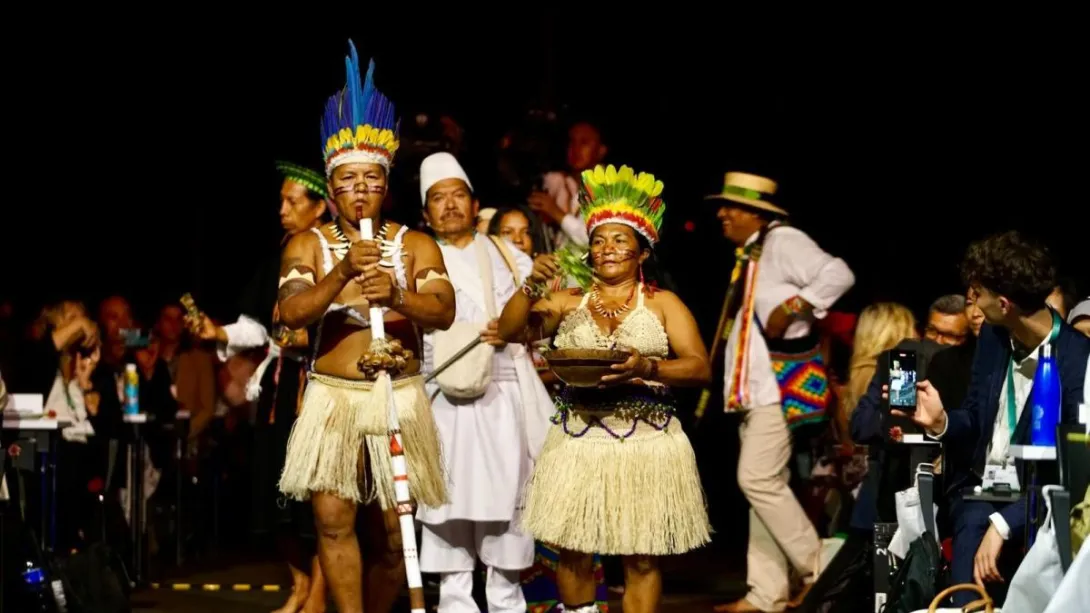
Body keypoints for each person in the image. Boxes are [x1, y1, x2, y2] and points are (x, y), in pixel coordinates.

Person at [275, 41, 455, 613]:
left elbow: (444, 309)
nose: (360, 191)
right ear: (332, 189)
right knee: (332, 520)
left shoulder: (414, 243)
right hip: (333, 398)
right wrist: (342, 276)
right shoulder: (309, 244)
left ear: (385, 184)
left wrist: (398, 293)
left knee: (391, 530)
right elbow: (291, 312)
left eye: (370, 180)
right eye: (348, 181)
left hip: (396, 395)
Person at [498, 163, 712, 613]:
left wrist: (648, 366)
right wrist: (529, 286)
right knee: (573, 551)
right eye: (598, 240)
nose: (607, 248)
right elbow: (513, 329)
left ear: (642, 251)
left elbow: (699, 368)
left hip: (648, 441)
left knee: (641, 555)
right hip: (579, 436)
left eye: (619, 240)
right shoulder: (566, 300)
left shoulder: (663, 303)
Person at [894, 231, 1090, 606]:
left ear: (1003, 303)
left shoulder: (1079, 360)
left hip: (1041, 499)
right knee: (970, 530)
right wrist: (941, 422)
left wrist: (1004, 524)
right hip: (979, 490)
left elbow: (1072, 470)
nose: (975, 309)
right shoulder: (994, 340)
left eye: (978, 296)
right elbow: (972, 416)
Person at [707, 172, 855, 613]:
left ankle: (823, 570)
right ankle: (766, 591)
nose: (721, 214)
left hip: (777, 388)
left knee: (756, 479)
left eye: (730, 206)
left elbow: (838, 273)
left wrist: (795, 306)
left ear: (755, 212)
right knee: (765, 487)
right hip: (756, 389)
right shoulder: (754, 251)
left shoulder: (783, 240)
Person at [414, 152, 554, 612]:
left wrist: (515, 327)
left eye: (458, 196)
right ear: (425, 211)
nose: (450, 205)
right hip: (438, 395)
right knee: (445, 503)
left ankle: (506, 602)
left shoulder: (509, 256)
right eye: (438, 198)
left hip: (502, 390)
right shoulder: (413, 257)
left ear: (476, 206)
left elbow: (542, 324)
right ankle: (455, 604)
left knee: (507, 501)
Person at [188, 160, 330, 613]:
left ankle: (322, 592)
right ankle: (300, 583)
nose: (282, 209)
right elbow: (256, 328)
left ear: (320, 208)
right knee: (277, 490)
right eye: (281, 200)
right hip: (280, 387)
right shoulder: (278, 261)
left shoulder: (331, 260)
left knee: (320, 498)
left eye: (293, 201)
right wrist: (218, 334)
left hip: (321, 387)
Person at [535, 120, 610, 250]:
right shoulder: (562, 182)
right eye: (571, 142)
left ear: (601, 150)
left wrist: (556, 213)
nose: (575, 149)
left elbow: (594, 239)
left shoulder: (609, 187)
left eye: (584, 142)